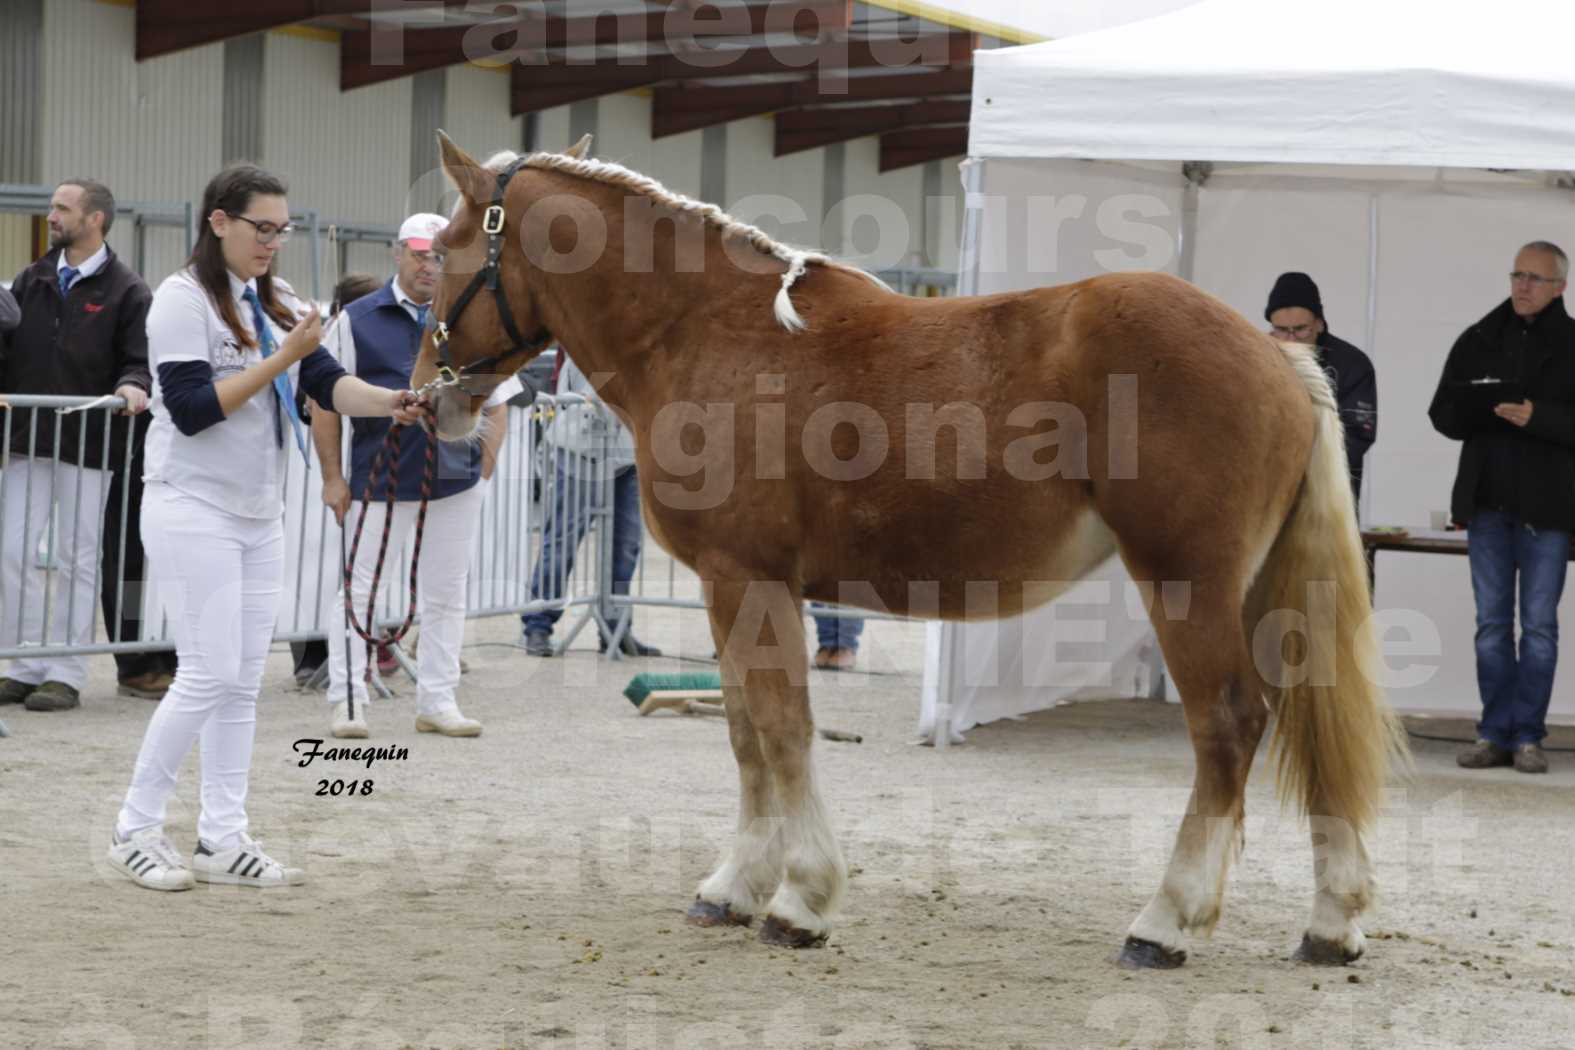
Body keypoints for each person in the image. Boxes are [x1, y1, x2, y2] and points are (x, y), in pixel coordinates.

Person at [107, 164, 427, 892]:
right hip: (192, 507)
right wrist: (280, 357)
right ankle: (135, 826)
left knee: (243, 682)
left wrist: (389, 401)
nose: (272, 243)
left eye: (281, 231)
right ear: (219, 221)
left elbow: (324, 383)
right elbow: (189, 409)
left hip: (258, 513)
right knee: (208, 673)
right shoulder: (180, 302)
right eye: (262, 229)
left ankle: (223, 837)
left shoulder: (278, 299)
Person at [315, 214, 517, 740]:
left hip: (454, 483)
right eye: (422, 254)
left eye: (440, 257)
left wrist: (484, 474)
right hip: (377, 480)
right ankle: (348, 700)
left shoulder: (474, 320)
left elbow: (498, 404)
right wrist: (333, 477)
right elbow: (325, 403)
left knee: (447, 593)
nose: (431, 265)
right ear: (398, 253)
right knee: (358, 592)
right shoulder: (354, 320)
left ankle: (438, 699)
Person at [0, 178, 152, 712]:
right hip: (26, 438)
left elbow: (139, 359)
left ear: (96, 220)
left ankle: (65, 670)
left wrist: (134, 386)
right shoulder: (32, 278)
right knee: (12, 550)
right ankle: (21, 664)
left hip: (90, 443)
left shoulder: (128, 289)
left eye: (62, 208)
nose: (52, 216)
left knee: (77, 556)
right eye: (53, 207)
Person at [1429, 241, 1575, 776]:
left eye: (1536, 278)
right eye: (1517, 274)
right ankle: (1494, 733)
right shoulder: (1478, 338)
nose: (1523, 285)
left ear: (1560, 286)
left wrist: (1538, 417)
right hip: (1487, 505)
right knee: (1491, 625)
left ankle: (1529, 737)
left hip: (1549, 509)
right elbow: (1442, 414)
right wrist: (1479, 409)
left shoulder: (1573, 344)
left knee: (1538, 627)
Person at [521, 354, 660, 659]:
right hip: (579, 447)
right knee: (562, 540)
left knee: (626, 544)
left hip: (627, 449)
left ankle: (616, 628)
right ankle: (538, 625)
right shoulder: (587, 326)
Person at [289, 272, 382, 687]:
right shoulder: (323, 343)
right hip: (316, 476)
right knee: (310, 564)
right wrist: (332, 476)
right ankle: (311, 654)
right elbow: (313, 402)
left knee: (344, 570)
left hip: (357, 474)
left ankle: (364, 654)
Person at [1265, 272, 1377, 502]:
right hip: (1267, 500)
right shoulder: (1258, 360)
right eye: (1282, 330)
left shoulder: (1352, 364)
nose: (1291, 340)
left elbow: (1357, 435)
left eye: (1301, 329)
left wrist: (1299, 465)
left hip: (1328, 502)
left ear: (1319, 324)